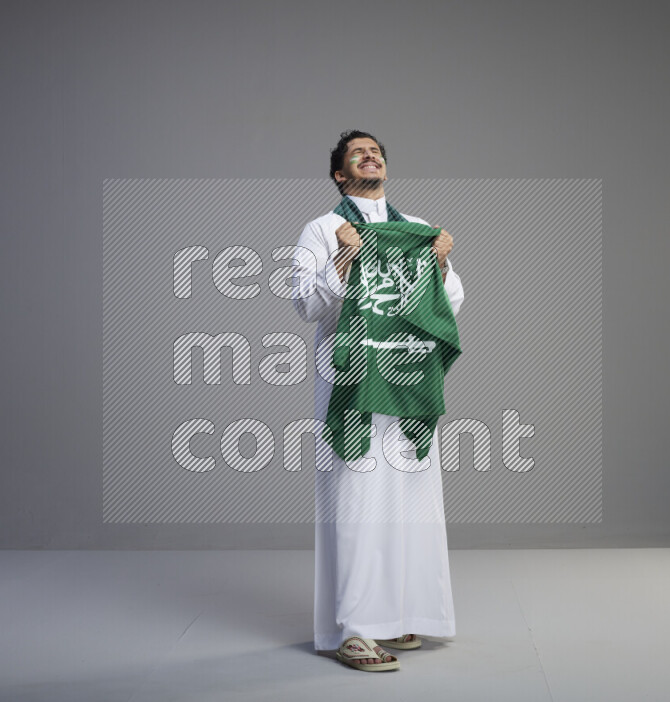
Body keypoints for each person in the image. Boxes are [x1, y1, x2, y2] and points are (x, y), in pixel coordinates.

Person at [291, 130, 464, 671]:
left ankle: (401, 616)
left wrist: (439, 263)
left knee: (411, 496)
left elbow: (450, 302)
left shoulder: (415, 231)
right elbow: (306, 304)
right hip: (352, 382)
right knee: (356, 497)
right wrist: (343, 259)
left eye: (376, 152)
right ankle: (357, 628)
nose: (371, 156)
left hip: (406, 377)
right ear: (340, 175)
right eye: (357, 154)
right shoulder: (323, 229)